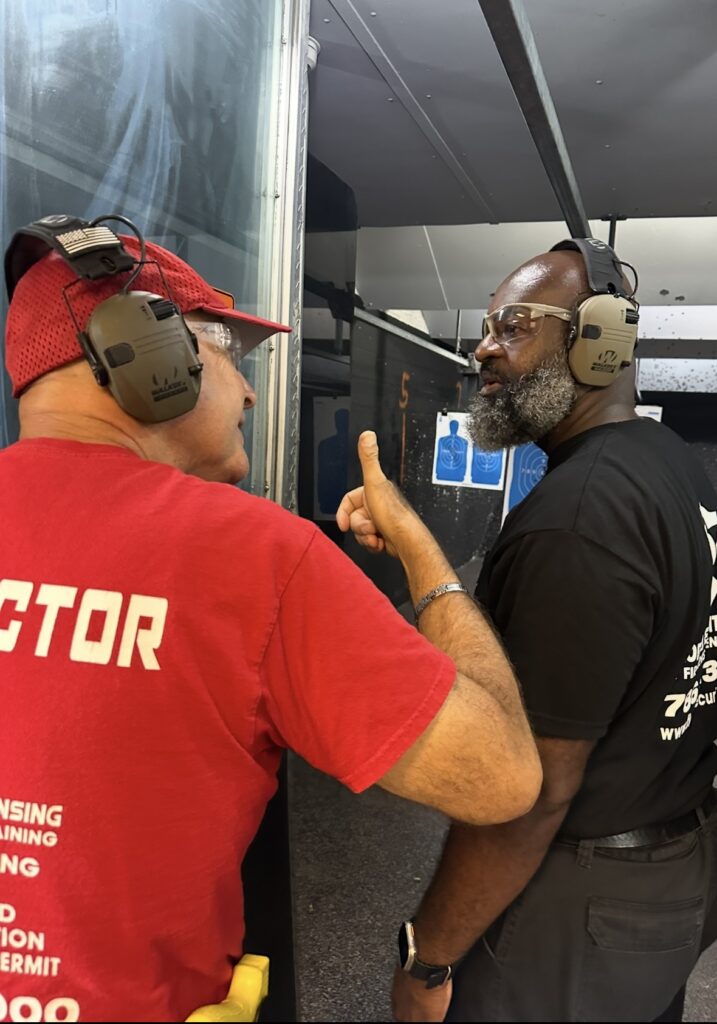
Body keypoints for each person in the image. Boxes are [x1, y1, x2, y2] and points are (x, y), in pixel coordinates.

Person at [0, 215, 541, 1023]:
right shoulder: (251, 555)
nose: (249, 388)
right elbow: (502, 776)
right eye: (226, 350)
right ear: (148, 354)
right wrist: (423, 557)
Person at [374, 242, 717, 1023]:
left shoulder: (578, 518)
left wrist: (428, 959)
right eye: (489, 325)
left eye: (513, 326)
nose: (483, 348)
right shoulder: (664, 463)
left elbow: (531, 793)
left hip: (581, 906)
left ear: (597, 342)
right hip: (666, 874)